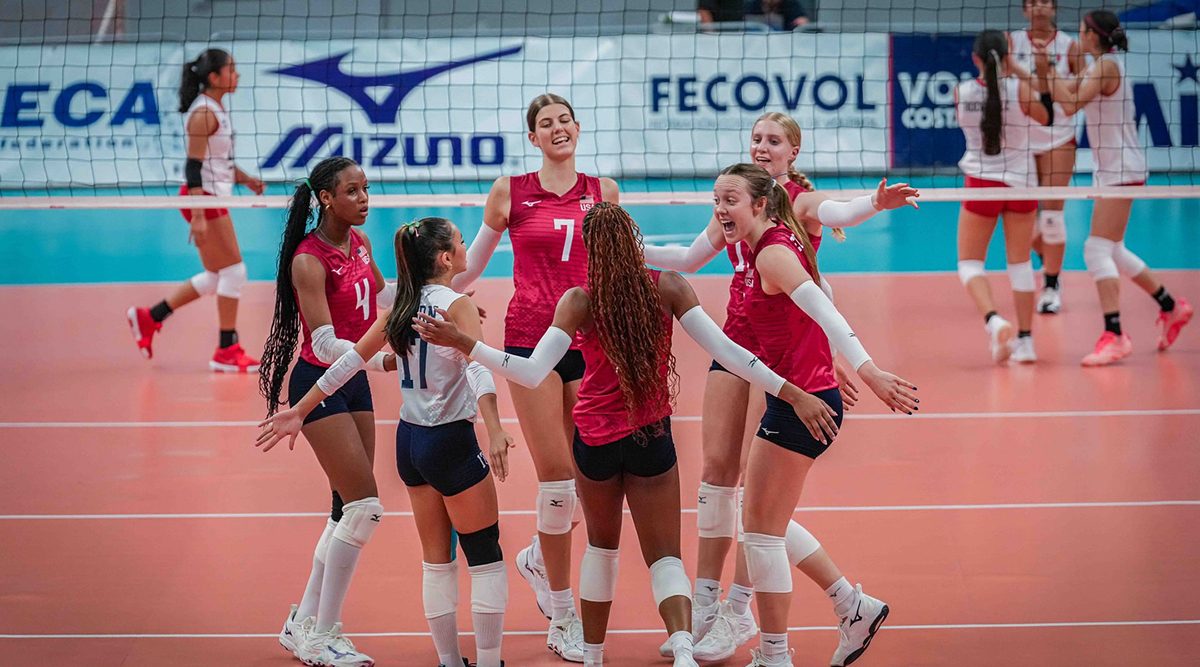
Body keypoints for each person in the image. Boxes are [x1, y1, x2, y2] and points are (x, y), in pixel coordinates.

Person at [415, 202, 839, 667]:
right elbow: (731, 352)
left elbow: (533, 372)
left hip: (594, 439)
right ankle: (682, 650)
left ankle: (594, 656)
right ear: (634, 239)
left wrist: (465, 343)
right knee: (666, 557)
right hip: (650, 434)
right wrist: (792, 392)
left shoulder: (579, 299)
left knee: (602, 548)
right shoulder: (669, 287)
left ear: (589, 249)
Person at [642, 112, 917, 662]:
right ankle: (709, 605)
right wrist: (619, 248)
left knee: (757, 510)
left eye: (774, 140)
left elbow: (836, 228)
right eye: (756, 139)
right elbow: (688, 259)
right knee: (718, 478)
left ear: (793, 152)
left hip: (783, 370)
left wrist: (874, 205)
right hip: (741, 350)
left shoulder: (789, 212)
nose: (763, 146)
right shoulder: (736, 206)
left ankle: (747, 615)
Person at [713, 163, 918, 667]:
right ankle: (852, 606)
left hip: (805, 406)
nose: (720, 210)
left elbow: (827, 311)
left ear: (760, 204)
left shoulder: (776, 254)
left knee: (759, 533)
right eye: (716, 200)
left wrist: (865, 370)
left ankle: (776, 654)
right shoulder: (758, 251)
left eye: (731, 200)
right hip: (795, 395)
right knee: (764, 525)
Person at [450, 93, 619, 662]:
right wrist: (426, 294)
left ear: (578, 128)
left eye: (564, 120)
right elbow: (470, 263)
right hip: (531, 341)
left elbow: (621, 265)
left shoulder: (604, 192)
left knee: (590, 474)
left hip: (589, 337)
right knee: (556, 479)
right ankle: (563, 615)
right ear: (533, 138)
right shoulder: (511, 192)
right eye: (545, 124)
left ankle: (535, 559)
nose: (557, 129)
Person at [257, 157, 396, 667]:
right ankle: (323, 637)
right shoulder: (308, 259)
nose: (364, 198)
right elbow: (321, 339)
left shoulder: (358, 242)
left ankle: (303, 623)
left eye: (366, 189)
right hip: (319, 383)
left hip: (353, 383)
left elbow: (384, 295)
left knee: (345, 510)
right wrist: (380, 360)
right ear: (325, 199)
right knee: (364, 508)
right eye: (353, 191)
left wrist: (439, 298)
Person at [1022, 9, 1192, 364]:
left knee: (1096, 250)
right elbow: (1065, 91)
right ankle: (1171, 306)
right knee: (1113, 249)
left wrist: (1049, 68)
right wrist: (1042, 66)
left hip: (1120, 168)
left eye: (1083, 31)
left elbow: (1067, 105)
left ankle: (1114, 335)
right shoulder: (1098, 65)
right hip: (1113, 168)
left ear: (1092, 35)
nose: (1079, 36)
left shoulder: (1106, 67)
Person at [126, 48, 264, 372]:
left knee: (218, 276)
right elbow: (193, 168)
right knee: (234, 272)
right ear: (214, 77)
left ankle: (150, 317)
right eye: (232, 69)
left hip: (212, 196)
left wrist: (247, 180)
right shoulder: (203, 114)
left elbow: (221, 162)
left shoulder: (216, 109)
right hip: (202, 198)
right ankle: (227, 349)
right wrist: (199, 215)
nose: (237, 74)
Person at [955, 30, 1050, 364]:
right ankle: (1026, 342)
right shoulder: (1021, 89)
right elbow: (1047, 115)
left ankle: (994, 320)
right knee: (1020, 264)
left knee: (969, 264)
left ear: (975, 59)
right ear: (1007, 56)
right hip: (1022, 184)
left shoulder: (962, 92)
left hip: (982, 182)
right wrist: (1020, 71)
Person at [1010, 0, 1086, 314]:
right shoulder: (1010, 42)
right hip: (1019, 141)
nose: (1039, 7)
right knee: (1021, 220)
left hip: (1059, 139)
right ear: (1025, 9)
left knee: (1052, 216)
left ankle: (1052, 285)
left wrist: (1046, 74)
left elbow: (1079, 91)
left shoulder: (1071, 46)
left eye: (1045, 2)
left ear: (1054, 9)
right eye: (1033, 3)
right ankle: (1048, 265)